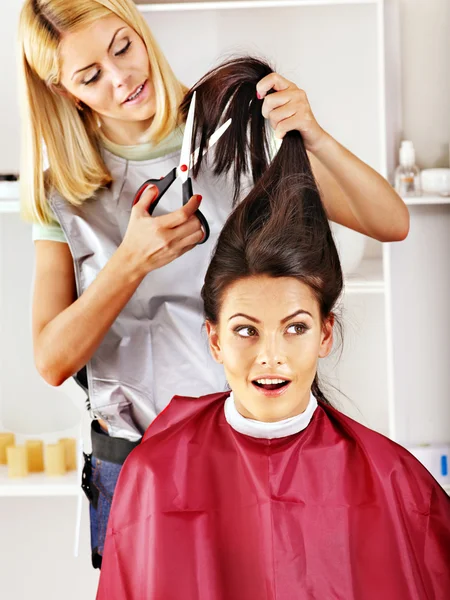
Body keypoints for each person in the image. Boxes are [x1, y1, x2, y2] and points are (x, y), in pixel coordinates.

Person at [18, 0, 410, 568]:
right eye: (90, 76)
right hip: (135, 467)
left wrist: (313, 135)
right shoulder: (64, 192)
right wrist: (130, 262)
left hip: (258, 450)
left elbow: (389, 221)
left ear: (139, 28)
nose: (122, 78)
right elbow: (52, 360)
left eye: (122, 46)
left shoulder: (236, 130)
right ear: (63, 91)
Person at [97, 78, 450, 599]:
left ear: (325, 333)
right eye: (245, 330)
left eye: (296, 328)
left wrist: (317, 137)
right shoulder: (154, 476)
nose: (271, 356)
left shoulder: (396, 482)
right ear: (213, 339)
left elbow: (393, 221)